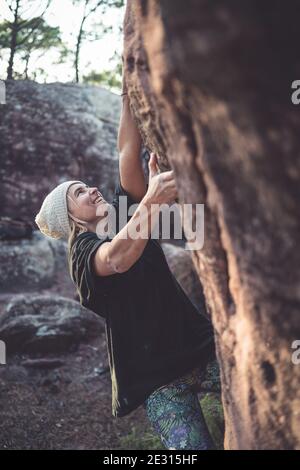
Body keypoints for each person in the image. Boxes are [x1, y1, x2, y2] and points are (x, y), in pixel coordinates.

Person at [34, 86, 216, 451]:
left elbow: (126, 152)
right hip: (158, 381)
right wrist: (151, 200)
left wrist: (127, 90)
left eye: (87, 185)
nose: (90, 191)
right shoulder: (82, 255)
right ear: (70, 218)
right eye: (78, 194)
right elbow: (117, 259)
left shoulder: (121, 215)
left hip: (200, 347)